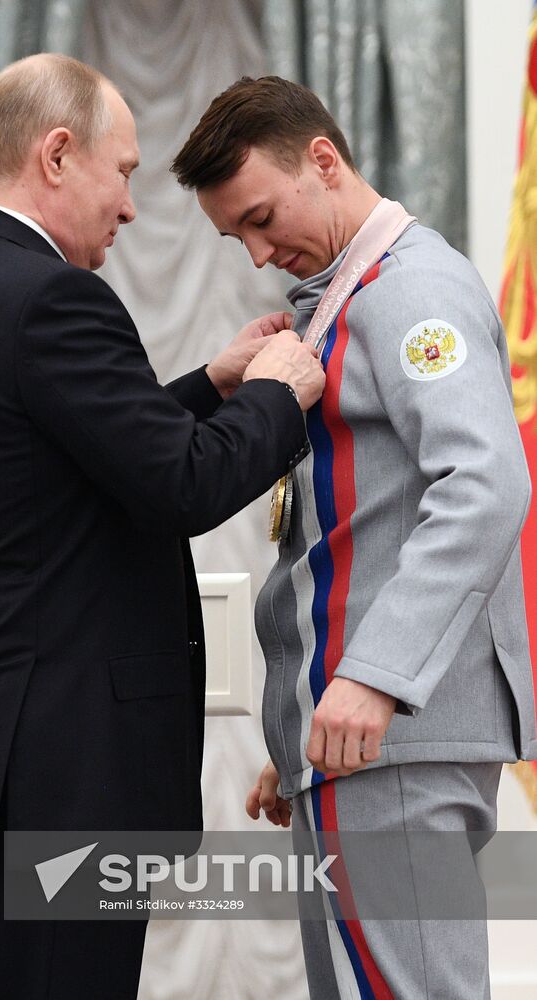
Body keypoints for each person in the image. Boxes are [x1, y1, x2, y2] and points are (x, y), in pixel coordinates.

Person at [0, 56, 326, 1000]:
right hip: (60, 782)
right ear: (56, 155)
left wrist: (210, 386)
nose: (130, 207)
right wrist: (276, 397)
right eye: (123, 172)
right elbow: (178, 487)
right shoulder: (53, 296)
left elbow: (67, 466)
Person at [172, 75, 537, 1000]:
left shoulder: (410, 289)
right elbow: (360, 528)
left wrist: (373, 678)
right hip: (363, 739)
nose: (260, 254)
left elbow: (485, 484)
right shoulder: (348, 293)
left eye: (261, 218)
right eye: (237, 237)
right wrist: (301, 725)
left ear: (323, 161)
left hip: (395, 732)